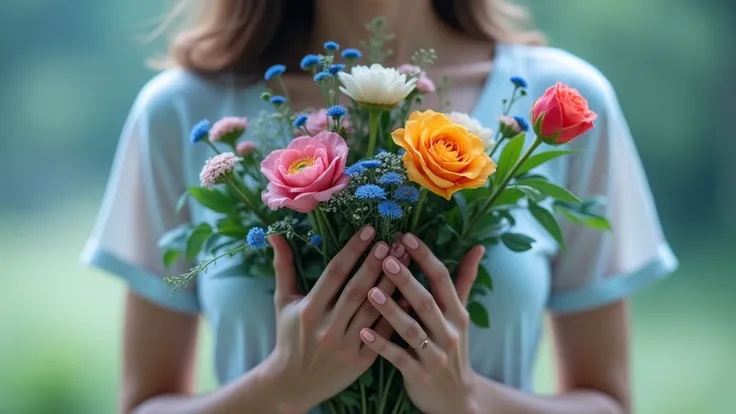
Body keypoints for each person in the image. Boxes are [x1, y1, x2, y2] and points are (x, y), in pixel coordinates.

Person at [80, 0, 679, 413]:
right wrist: (277, 389)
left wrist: (469, 399)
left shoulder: (557, 109)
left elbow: (607, 401)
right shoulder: (185, 112)